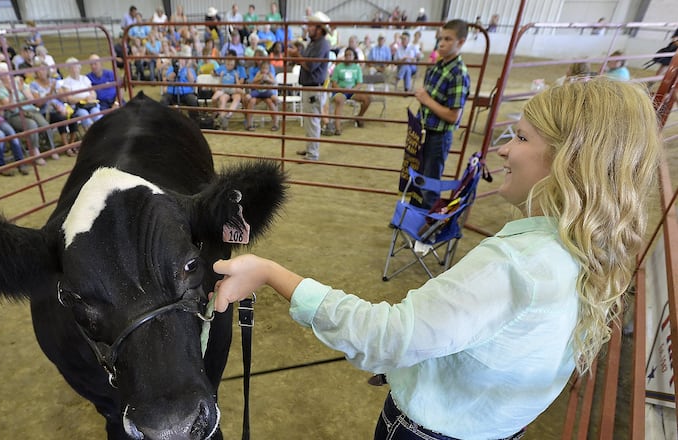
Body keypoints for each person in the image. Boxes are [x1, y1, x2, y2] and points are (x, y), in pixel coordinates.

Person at [211, 78, 662, 440]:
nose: (503, 150)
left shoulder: (514, 264)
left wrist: (270, 271)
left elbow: (388, 337)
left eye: (520, 137)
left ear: (568, 160)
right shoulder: (588, 247)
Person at [410, 19, 470, 209]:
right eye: (440, 38)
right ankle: (414, 217)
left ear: (460, 42)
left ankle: (427, 228)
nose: (441, 43)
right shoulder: (437, 66)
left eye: (448, 39)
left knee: (430, 181)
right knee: (417, 175)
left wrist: (427, 100)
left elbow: (454, 116)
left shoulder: (458, 74)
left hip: (438, 136)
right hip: (423, 131)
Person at [0, 62, 53, 165]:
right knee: (32, 125)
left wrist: (22, 91)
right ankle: (35, 152)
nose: (5, 76)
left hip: (29, 110)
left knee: (44, 124)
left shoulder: (19, 82)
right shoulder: (0, 90)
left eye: (6, 72)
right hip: (15, 114)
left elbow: (31, 100)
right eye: (2, 74)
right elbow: (10, 108)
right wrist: (11, 94)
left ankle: (51, 148)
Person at [292, 11, 332, 161]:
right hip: (310, 86)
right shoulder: (315, 43)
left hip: (314, 87)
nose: (308, 28)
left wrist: (297, 56)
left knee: (313, 120)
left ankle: (313, 153)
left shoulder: (321, 44)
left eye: (311, 25)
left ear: (319, 29)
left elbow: (311, 65)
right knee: (310, 120)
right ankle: (310, 149)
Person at [325, 47, 370, 135]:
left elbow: (359, 83)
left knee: (367, 98)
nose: (348, 57)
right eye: (346, 55)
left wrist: (354, 90)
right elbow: (334, 82)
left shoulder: (357, 68)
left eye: (350, 55)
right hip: (340, 90)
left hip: (352, 90)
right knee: (340, 100)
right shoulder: (338, 67)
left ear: (354, 57)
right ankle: (338, 127)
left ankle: (359, 116)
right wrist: (340, 89)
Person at [59, 57, 101, 130]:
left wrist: (91, 97)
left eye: (75, 67)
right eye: (71, 68)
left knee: (96, 113)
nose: (74, 69)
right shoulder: (67, 82)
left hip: (90, 103)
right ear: (68, 70)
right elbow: (69, 99)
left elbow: (93, 92)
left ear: (79, 67)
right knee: (84, 114)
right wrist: (84, 98)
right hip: (78, 106)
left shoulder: (85, 78)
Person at [211, 54, 246, 130]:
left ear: (234, 65)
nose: (229, 66)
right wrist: (220, 76)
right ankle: (221, 117)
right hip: (224, 89)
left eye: (231, 64)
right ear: (225, 64)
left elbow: (238, 85)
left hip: (232, 89)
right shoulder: (223, 71)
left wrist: (236, 78)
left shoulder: (235, 72)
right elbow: (215, 75)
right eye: (228, 64)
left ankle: (229, 115)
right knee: (219, 99)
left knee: (240, 94)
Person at [243, 57, 278, 131]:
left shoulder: (269, 74)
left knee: (271, 102)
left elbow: (274, 82)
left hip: (267, 92)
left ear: (268, 69)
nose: (264, 70)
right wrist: (260, 78)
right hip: (258, 92)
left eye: (266, 68)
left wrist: (267, 79)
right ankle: (249, 124)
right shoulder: (258, 73)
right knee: (251, 100)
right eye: (263, 68)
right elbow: (253, 81)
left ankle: (275, 124)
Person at [160, 56, 199, 121]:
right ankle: (163, 120)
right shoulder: (171, 69)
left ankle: (194, 121)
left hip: (186, 93)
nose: (180, 62)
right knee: (163, 101)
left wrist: (187, 69)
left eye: (182, 60)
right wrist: (175, 71)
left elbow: (192, 81)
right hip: (172, 92)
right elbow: (169, 79)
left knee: (193, 101)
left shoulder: (189, 69)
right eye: (178, 60)